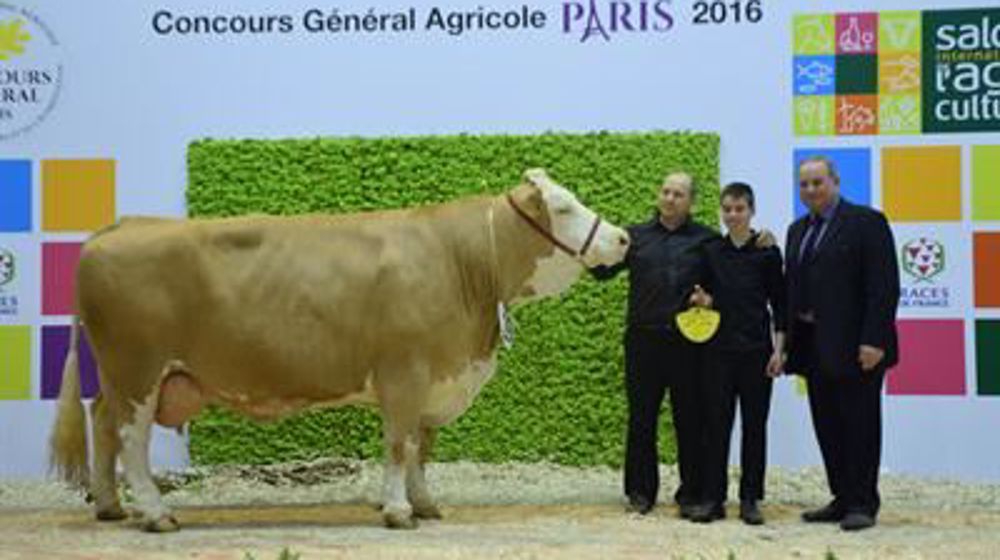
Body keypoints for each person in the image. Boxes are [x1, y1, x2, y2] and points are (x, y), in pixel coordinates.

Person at [591, 172, 718, 517]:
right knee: (641, 419)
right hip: (642, 341)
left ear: (691, 201)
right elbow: (601, 272)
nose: (670, 198)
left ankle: (691, 494)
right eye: (665, 191)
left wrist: (711, 297)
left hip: (687, 343)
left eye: (678, 194)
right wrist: (584, 244)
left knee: (690, 419)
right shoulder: (633, 237)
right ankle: (640, 493)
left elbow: (725, 285)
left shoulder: (708, 240)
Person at [786, 156, 900, 532]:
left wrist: (873, 340)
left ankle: (863, 503)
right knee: (828, 424)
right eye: (804, 184)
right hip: (814, 345)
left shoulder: (867, 222)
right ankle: (842, 497)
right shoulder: (797, 230)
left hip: (858, 347)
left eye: (818, 182)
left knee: (860, 424)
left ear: (835, 182)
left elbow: (883, 288)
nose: (811, 190)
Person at [688, 182, 786, 525]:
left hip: (758, 353)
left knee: (754, 427)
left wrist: (779, 350)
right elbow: (704, 297)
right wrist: (702, 300)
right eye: (727, 208)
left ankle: (750, 499)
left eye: (739, 208)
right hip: (717, 353)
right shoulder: (711, 251)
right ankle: (714, 500)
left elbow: (781, 305)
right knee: (716, 426)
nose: (732, 214)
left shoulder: (769, 252)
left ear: (751, 210)